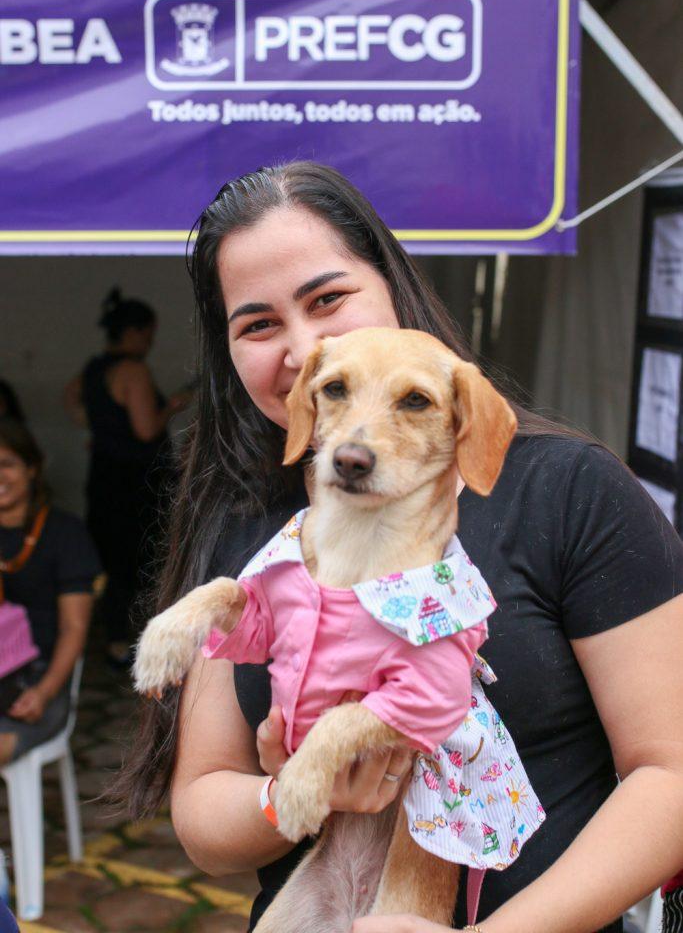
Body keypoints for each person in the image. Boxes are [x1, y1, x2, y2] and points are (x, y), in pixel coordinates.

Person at [112, 162, 683, 933]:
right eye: (257, 324)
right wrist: (295, 791)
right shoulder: (252, 522)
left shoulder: (569, 492)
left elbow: (670, 775)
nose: (303, 346)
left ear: (392, 284)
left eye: (326, 298)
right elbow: (204, 810)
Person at [64, 288, 191, 668]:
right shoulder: (134, 370)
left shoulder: (92, 368)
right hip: (136, 483)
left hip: (103, 474)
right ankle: (136, 641)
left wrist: (96, 430)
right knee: (141, 559)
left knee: (111, 555)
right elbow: (145, 428)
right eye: (148, 335)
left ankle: (115, 638)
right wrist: (173, 405)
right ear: (134, 332)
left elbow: (71, 398)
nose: (150, 343)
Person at [0, 419, 99, 765]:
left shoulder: (64, 534)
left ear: (32, 468)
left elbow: (74, 628)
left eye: (7, 464)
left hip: (40, 679)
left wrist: (43, 692)